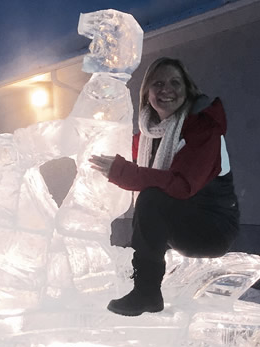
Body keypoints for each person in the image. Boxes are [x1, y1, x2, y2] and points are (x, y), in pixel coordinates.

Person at [89, 57, 240, 316]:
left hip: (211, 229)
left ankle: (146, 292)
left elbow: (181, 186)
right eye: (158, 84)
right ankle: (143, 284)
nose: (166, 90)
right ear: (147, 94)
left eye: (174, 82)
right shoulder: (149, 134)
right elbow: (137, 169)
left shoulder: (204, 130)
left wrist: (122, 172)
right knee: (150, 197)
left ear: (188, 89)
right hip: (180, 221)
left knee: (151, 198)